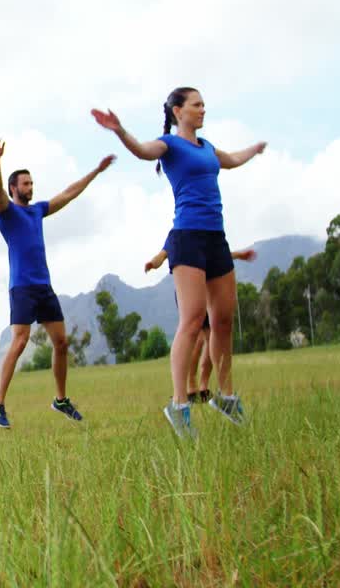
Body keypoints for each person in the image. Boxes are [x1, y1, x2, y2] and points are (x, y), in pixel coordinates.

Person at [94, 87, 266, 438]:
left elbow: (230, 159)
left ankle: (227, 396)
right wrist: (120, 131)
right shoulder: (169, 145)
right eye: (196, 104)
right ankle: (179, 405)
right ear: (178, 111)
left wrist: (255, 149)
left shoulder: (207, 148)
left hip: (216, 239)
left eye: (204, 103)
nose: (203, 109)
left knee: (223, 323)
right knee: (191, 322)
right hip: (187, 239)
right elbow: (142, 152)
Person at [0, 140, 115, 429]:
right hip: (21, 287)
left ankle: (60, 400)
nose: (31, 187)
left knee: (61, 342)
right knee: (20, 341)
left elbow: (68, 193)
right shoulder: (7, 212)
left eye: (32, 183)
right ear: (13, 188)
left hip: (44, 287)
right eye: (25, 184)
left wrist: (95, 171)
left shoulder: (37, 211)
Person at [145, 242, 257, 403]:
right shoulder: (181, 231)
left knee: (211, 336)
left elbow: (215, 254)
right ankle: (191, 387)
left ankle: (203, 386)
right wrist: (156, 260)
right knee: (196, 338)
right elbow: (168, 248)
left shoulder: (205, 231)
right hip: (191, 290)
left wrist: (239, 255)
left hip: (208, 288)